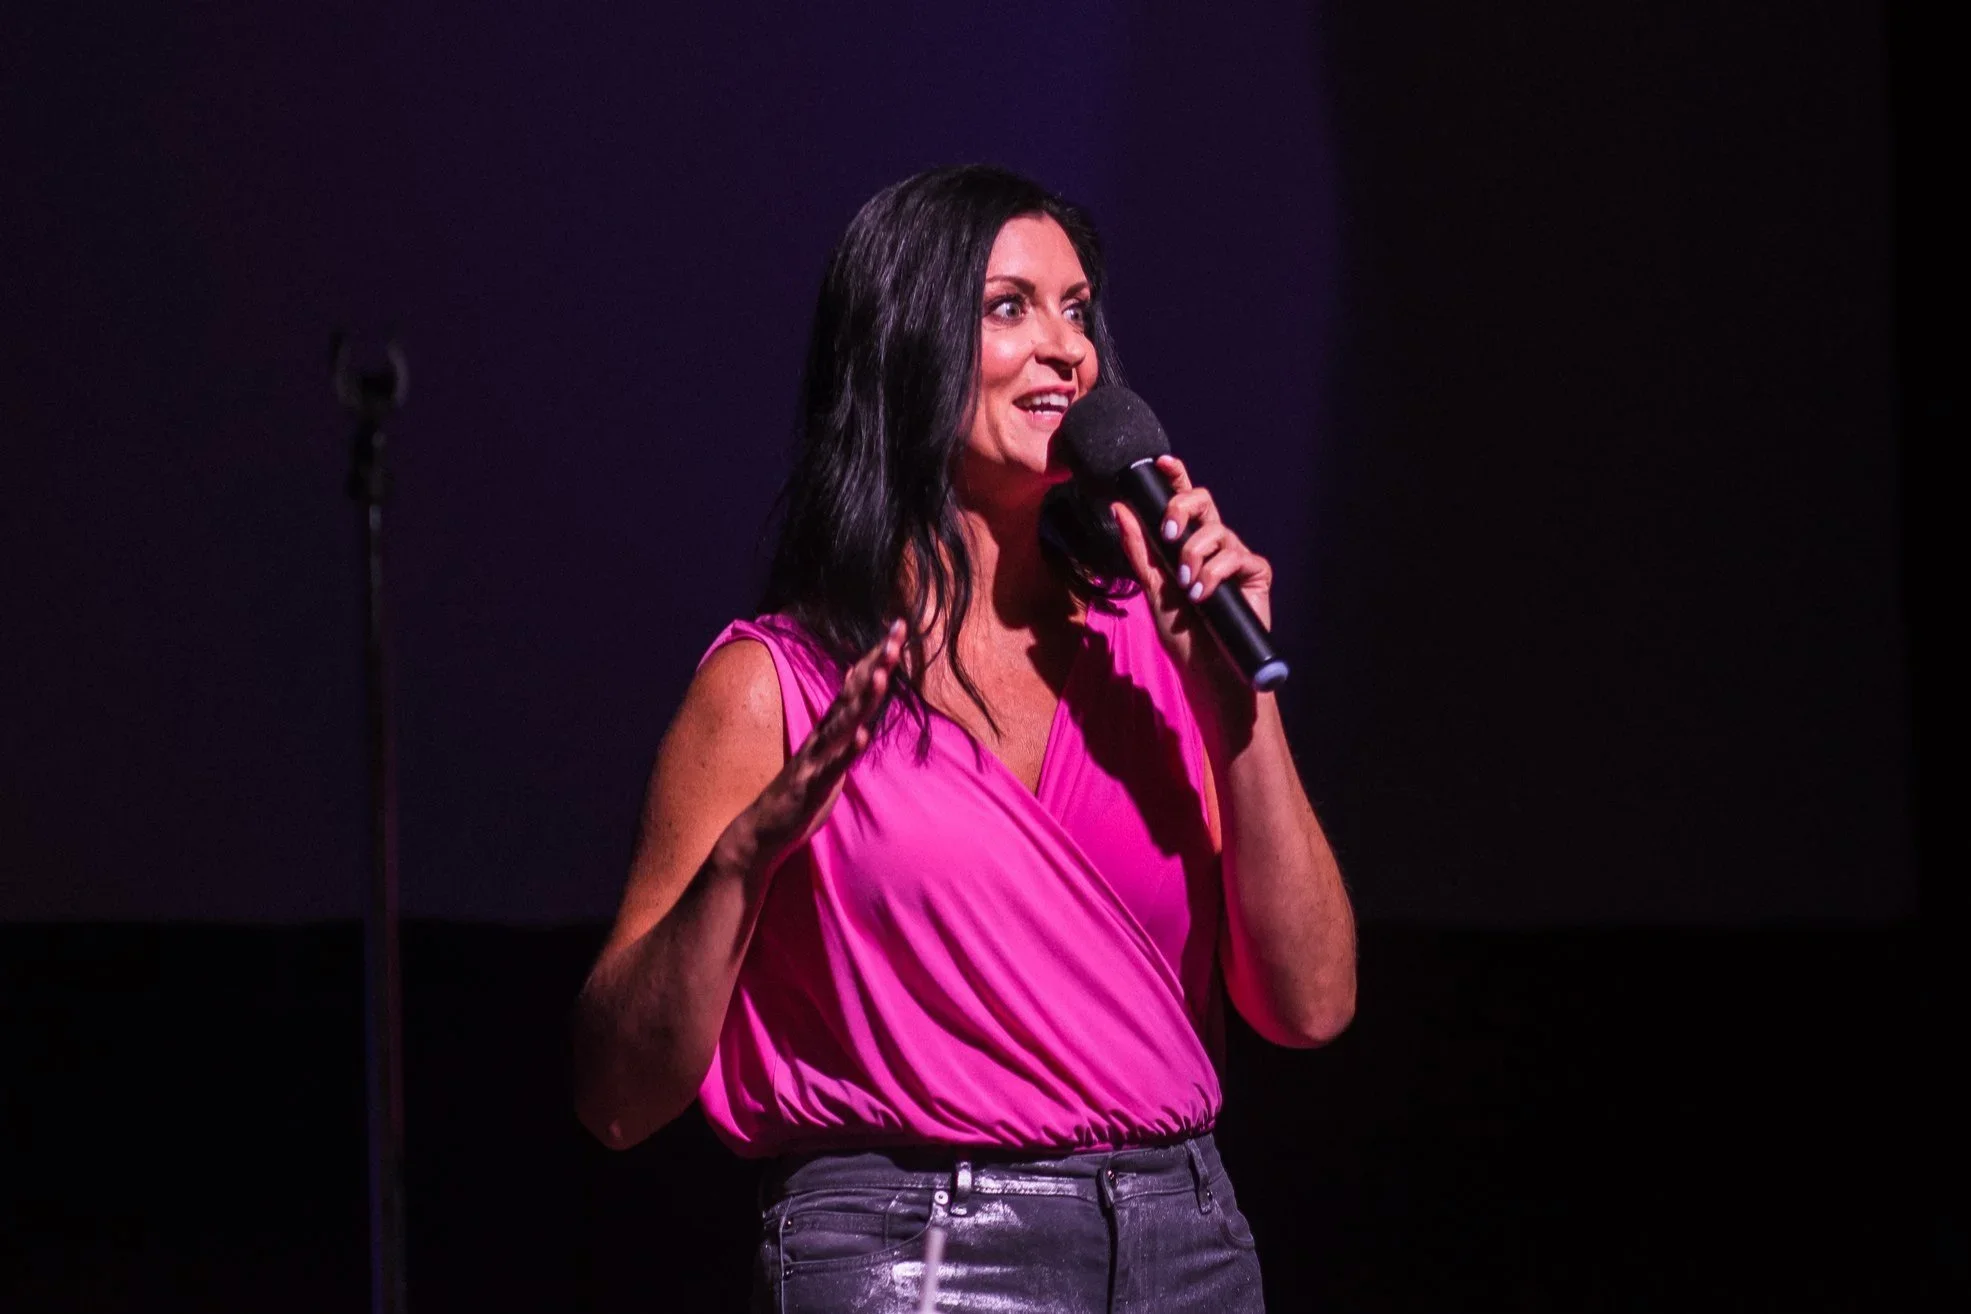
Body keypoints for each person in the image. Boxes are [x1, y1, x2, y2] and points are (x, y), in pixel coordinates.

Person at [572, 165, 1356, 1313]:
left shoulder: (1159, 655)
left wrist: (1238, 703)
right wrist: (746, 859)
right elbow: (616, 1094)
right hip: (914, 1256)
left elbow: (1313, 1002)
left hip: (1185, 1246)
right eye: (1009, 308)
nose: (1066, 351)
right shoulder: (775, 687)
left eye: (1078, 311)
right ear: (903, 349)